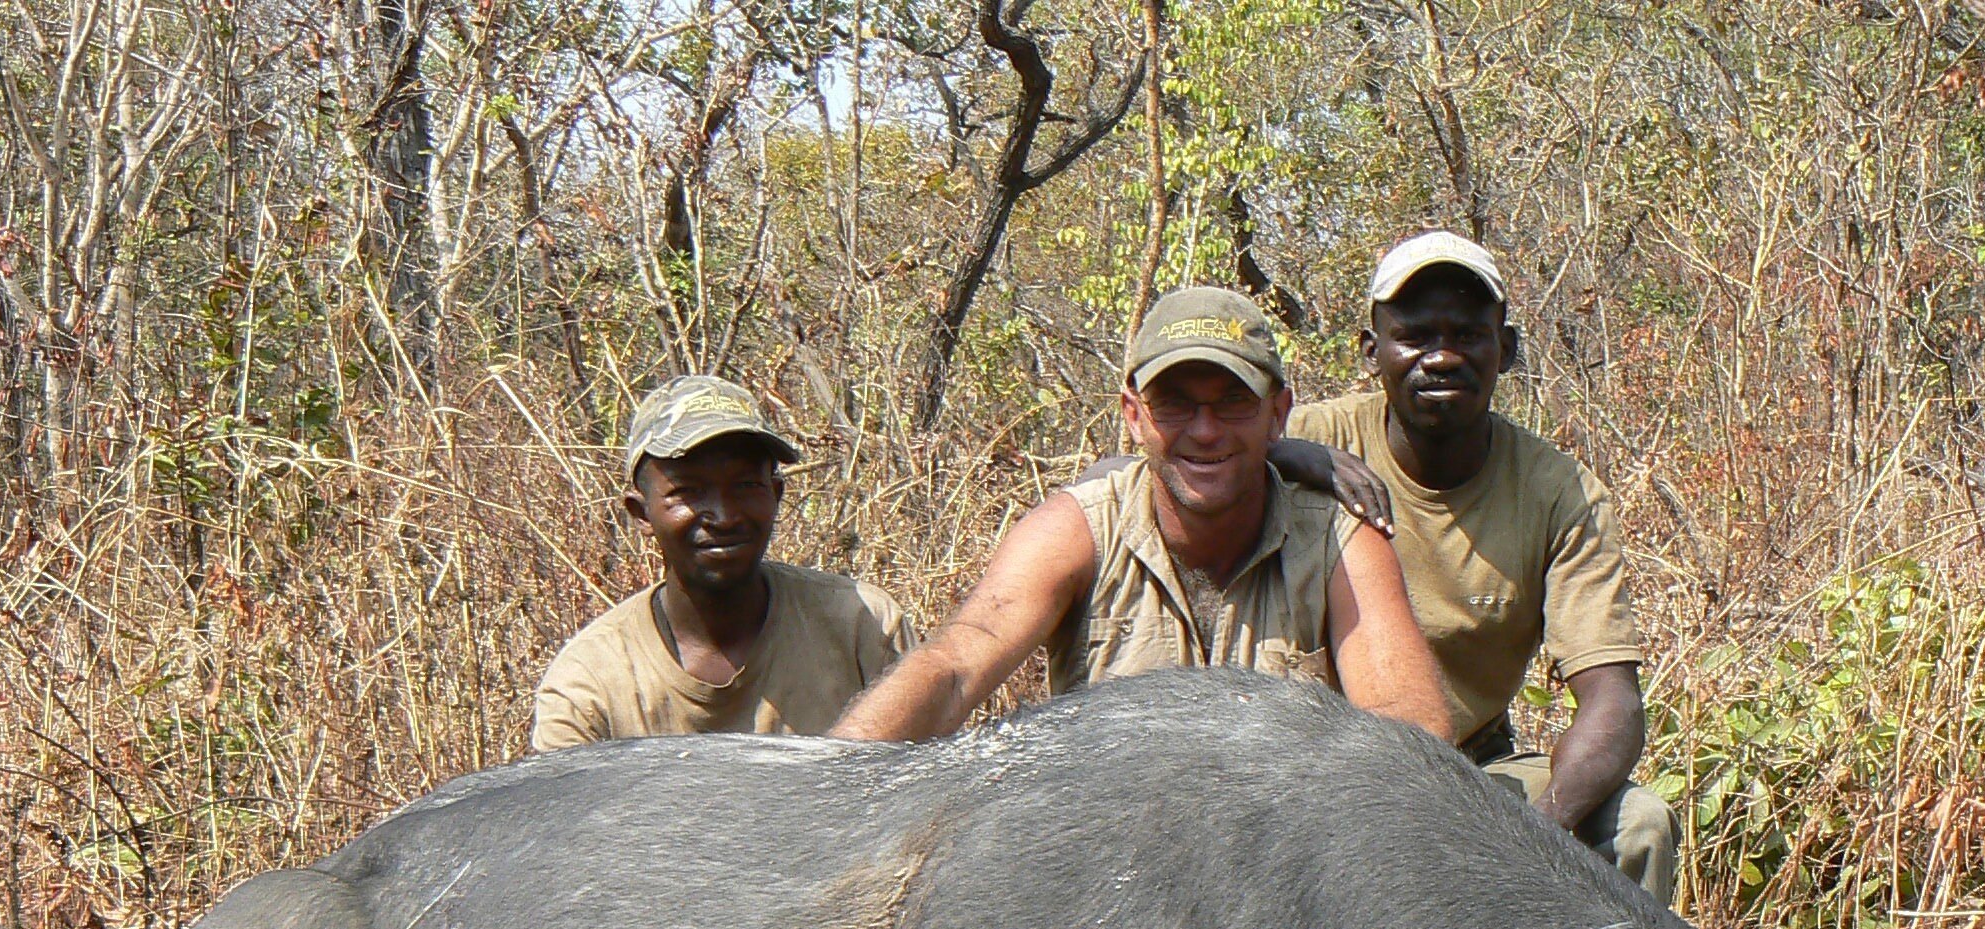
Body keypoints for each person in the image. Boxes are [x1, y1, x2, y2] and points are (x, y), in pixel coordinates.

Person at [827, 289, 1446, 744]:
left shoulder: (1339, 539)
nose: (1204, 432)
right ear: (1133, 414)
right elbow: (959, 664)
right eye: (1174, 404)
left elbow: (1411, 731)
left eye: (1233, 403)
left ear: (1279, 412)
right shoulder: (1077, 528)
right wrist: (835, 781)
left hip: (1279, 864)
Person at [1283, 233, 1679, 902]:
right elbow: (1175, 465)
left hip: (1475, 767)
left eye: (1468, 335)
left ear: (1508, 350)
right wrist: (1285, 456)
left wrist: (1538, 830)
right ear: (1371, 349)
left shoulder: (1558, 490)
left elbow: (1613, 701)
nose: (1441, 357)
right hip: (1324, 760)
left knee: (1640, 827)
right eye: (1414, 336)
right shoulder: (1314, 438)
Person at [532, 375, 914, 750]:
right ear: (641, 514)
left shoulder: (864, 627)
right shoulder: (589, 684)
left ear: (775, 494)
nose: (725, 515)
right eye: (687, 492)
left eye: (746, 486)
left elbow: (927, 789)